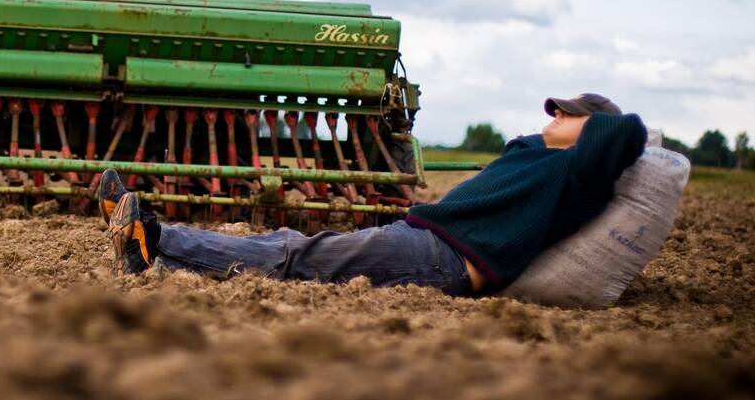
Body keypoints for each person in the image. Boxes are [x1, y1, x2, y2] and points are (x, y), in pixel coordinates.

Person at [98, 93, 647, 296]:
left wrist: (593, 122)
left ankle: (155, 239)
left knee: (295, 253)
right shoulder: (537, 156)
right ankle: (152, 244)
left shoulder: (582, 172)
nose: (551, 114)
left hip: (446, 258)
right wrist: (555, 131)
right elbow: (525, 143)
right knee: (296, 248)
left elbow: (630, 132)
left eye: (565, 111)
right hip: (425, 241)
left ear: (589, 126)